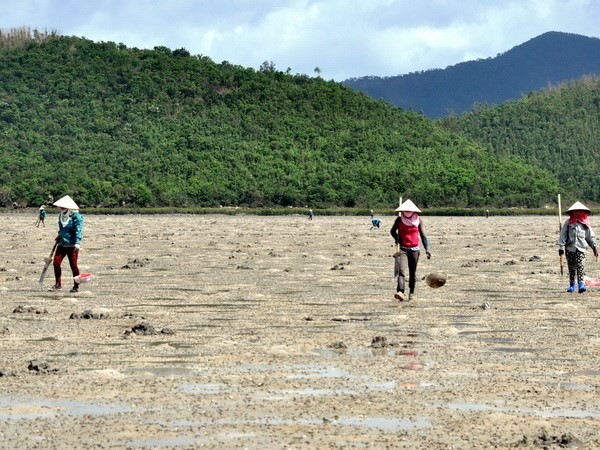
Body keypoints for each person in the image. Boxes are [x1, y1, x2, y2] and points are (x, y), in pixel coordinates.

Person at [390, 199, 431, 301]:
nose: (407, 212)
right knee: (401, 271)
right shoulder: (399, 220)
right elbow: (392, 231)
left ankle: (411, 292)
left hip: (414, 250)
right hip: (402, 249)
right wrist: (397, 240)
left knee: (412, 273)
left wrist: (427, 249)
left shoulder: (419, 221)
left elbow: (423, 236)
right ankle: (401, 291)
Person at [558, 201, 598, 293]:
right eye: (575, 211)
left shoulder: (585, 224)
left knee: (580, 266)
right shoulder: (568, 223)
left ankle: (581, 285)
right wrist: (561, 248)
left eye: (579, 211)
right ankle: (571, 285)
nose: (577, 213)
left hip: (581, 248)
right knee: (571, 268)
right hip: (569, 249)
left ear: (582, 212)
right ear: (572, 212)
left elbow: (590, 237)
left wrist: (594, 247)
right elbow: (562, 236)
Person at [49, 195, 84, 293]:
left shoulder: (76, 216)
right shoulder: (61, 215)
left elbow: (78, 229)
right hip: (62, 243)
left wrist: (77, 242)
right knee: (56, 263)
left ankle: (76, 286)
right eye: (61, 206)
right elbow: (62, 228)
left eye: (64, 206)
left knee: (73, 265)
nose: (62, 208)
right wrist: (59, 235)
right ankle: (58, 284)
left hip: (72, 245)